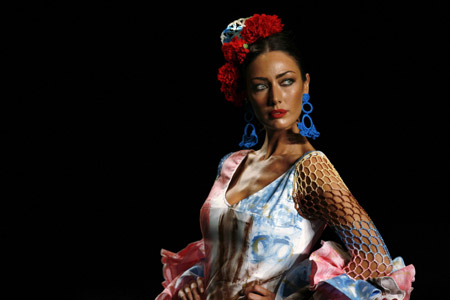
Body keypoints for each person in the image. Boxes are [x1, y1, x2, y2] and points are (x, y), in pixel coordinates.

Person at [156, 14, 415, 300]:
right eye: (260, 85)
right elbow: (224, 254)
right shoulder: (233, 163)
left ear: (305, 85)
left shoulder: (311, 169)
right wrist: (196, 282)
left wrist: (292, 298)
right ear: (246, 93)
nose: (276, 97)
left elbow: (374, 259)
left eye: (286, 81)